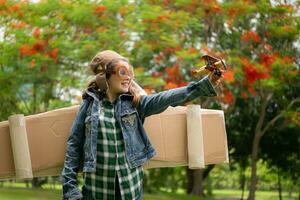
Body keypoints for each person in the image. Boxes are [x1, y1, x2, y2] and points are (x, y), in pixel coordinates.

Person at [61, 50, 224, 200]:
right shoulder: (89, 105)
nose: (129, 77)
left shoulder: (135, 104)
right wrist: (70, 189)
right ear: (106, 76)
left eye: (129, 73)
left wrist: (205, 84)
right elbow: (74, 145)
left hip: (130, 192)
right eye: (122, 72)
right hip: (96, 193)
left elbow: (168, 97)